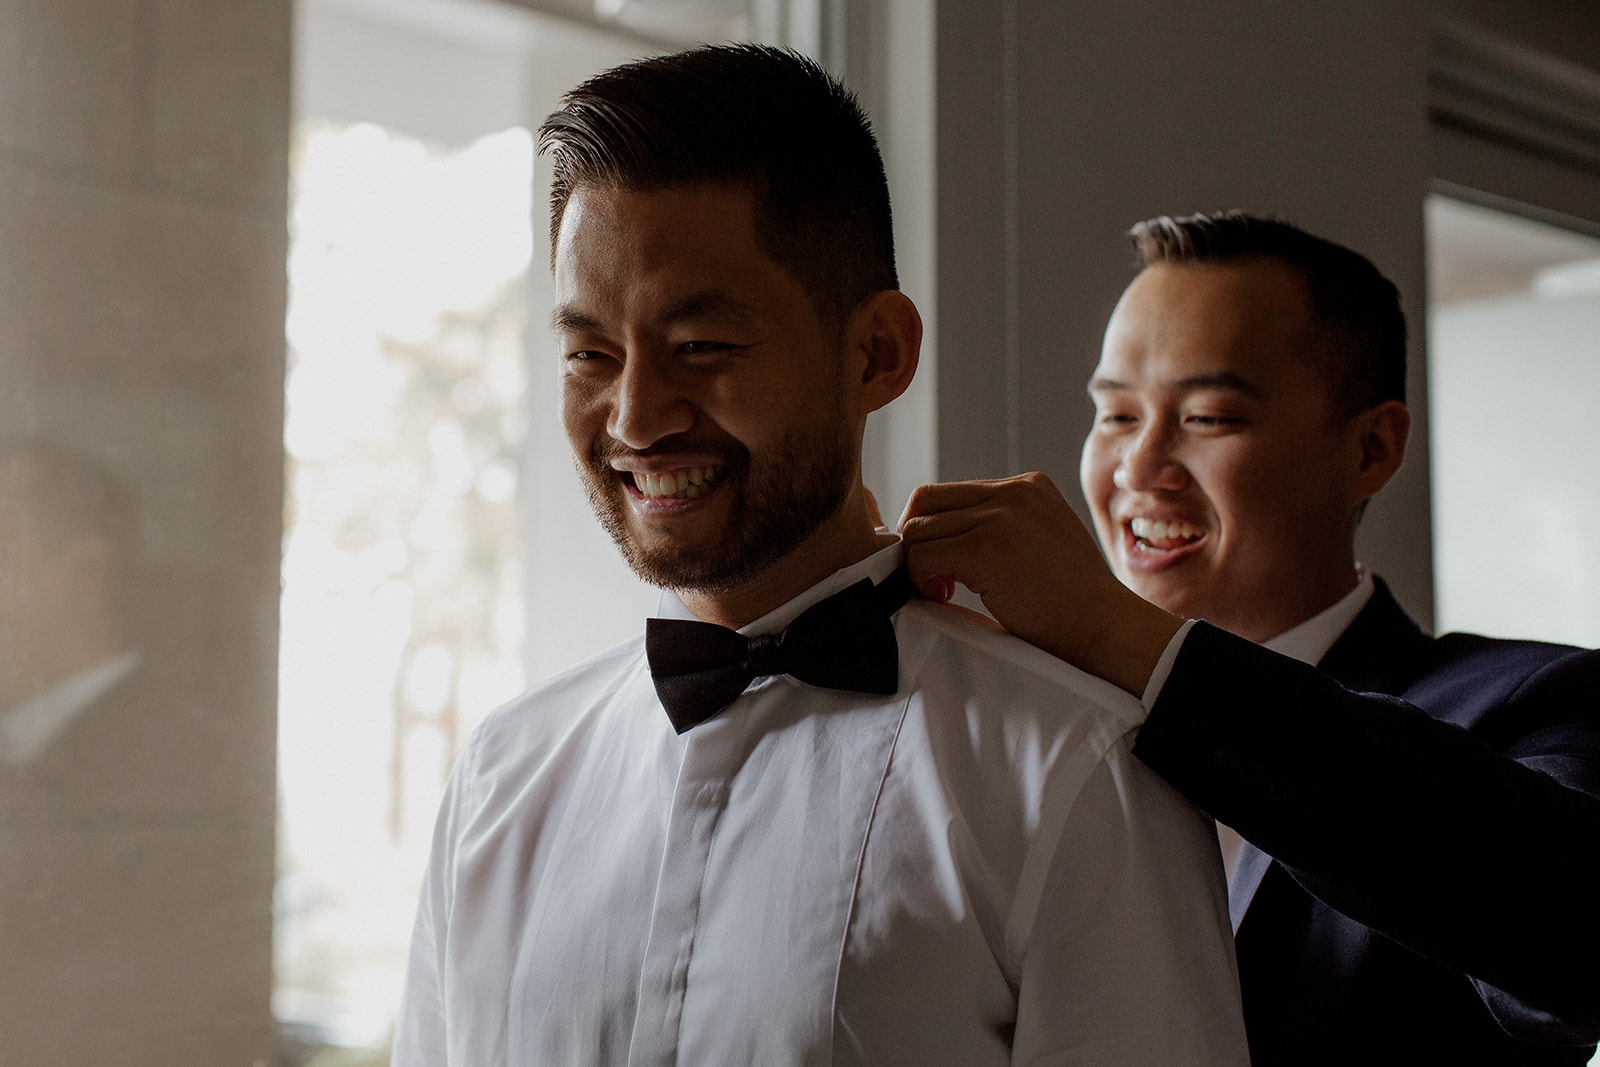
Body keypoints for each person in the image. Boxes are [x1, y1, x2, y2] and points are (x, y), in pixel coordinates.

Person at [393, 48, 1248, 1065]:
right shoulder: (498, 777)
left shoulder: (1077, 769)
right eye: (590, 353)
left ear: (877, 353)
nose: (634, 418)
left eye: (702, 346)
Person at [898, 211, 1600, 1065]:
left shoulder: (1534, 702)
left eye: (1207, 417)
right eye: (1115, 414)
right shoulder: (1023, 720)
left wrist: (1123, 635)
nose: (1137, 468)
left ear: (1372, 448)